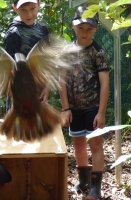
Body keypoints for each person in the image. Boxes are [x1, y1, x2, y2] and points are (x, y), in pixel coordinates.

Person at [59, 4, 109, 200]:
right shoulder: (67, 51)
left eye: (89, 28)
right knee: (78, 144)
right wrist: (65, 108)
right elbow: (61, 81)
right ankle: (83, 180)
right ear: (73, 26)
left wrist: (101, 112)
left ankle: (96, 188)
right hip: (74, 109)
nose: (85, 33)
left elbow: (104, 84)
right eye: (81, 28)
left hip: (93, 108)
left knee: (95, 145)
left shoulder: (98, 52)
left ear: (96, 28)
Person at [4, 0, 50, 111]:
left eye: (33, 9)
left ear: (39, 4)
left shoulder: (43, 29)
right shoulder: (13, 33)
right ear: (15, 8)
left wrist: (47, 87)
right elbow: (8, 68)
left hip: (39, 88)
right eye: (23, 10)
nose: (29, 14)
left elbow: (48, 60)